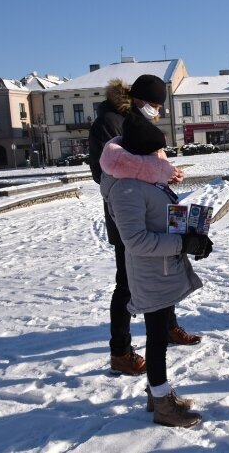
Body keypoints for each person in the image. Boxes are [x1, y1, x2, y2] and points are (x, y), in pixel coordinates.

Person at [100, 89, 213, 428]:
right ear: (144, 154)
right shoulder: (127, 186)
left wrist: (194, 233)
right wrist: (182, 245)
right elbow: (134, 240)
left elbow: (163, 214)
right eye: (158, 152)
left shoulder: (146, 176)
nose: (163, 158)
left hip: (163, 269)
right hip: (151, 273)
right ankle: (162, 403)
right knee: (157, 339)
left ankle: (158, 393)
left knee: (160, 334)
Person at [89, 77, 201, 378]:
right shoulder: (111, 123)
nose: (159, 111)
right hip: (130, 218)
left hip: (157, 209)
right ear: (140, 100)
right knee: (127, 284)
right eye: (156, 105)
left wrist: (167, 173)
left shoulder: (137, 120)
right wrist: (152, 177)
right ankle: (121, 352)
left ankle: (168, 327)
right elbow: (108, 172)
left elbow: (151, 162)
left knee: (168, 270)